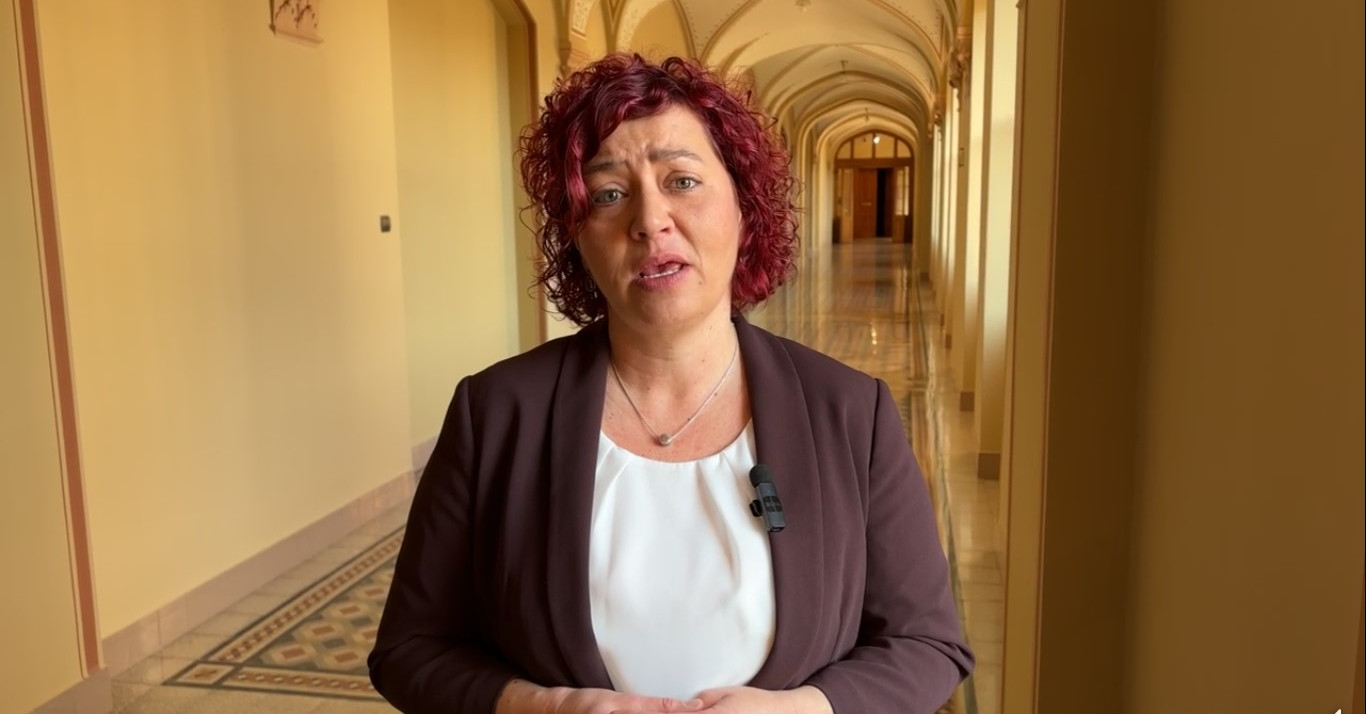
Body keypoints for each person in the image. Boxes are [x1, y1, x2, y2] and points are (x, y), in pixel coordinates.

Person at [368, 53, 974, 714]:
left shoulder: (852, 412)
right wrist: (539, 707)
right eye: (608, 194)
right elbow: (410, 649)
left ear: (744, 207)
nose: (649, 220)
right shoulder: (496, 413)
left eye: (682, 181)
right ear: (578, 239)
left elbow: (927, 643)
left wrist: (806, 709)